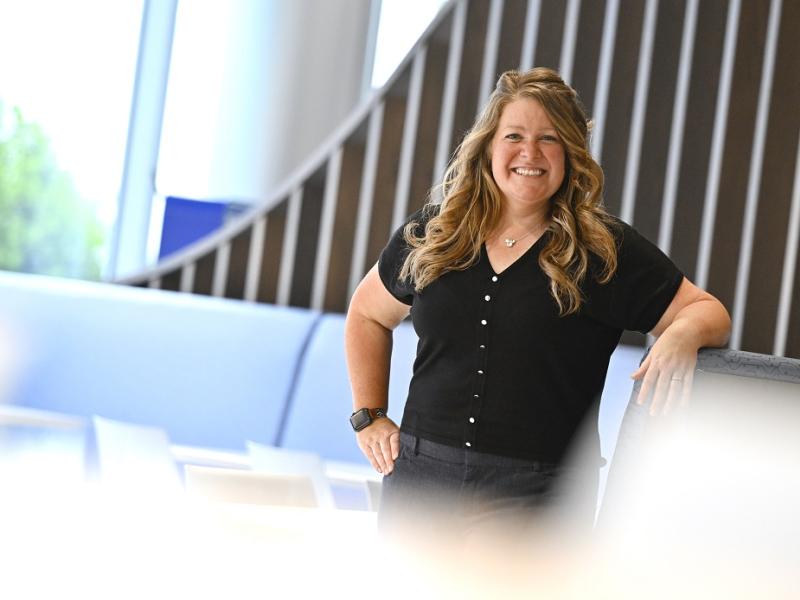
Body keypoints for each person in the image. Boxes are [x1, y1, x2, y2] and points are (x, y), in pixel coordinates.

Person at [344, 68, 731, 541]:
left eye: (549, 139)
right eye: (514, 136)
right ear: (488, 146)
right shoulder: (436, 232)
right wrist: (369, 415)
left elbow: (708, 311)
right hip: (421, 481)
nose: (530, 153)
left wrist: (682, 335)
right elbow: (366, 314)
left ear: (570, 154)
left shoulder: (603, 250)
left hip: (536, 494)